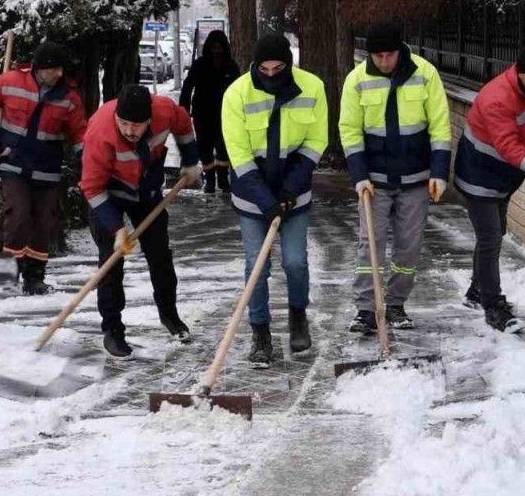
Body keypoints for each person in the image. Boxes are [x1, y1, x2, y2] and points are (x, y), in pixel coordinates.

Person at [222, 33, 328, 367]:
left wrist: (288, 192)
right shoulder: (236, 94)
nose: (270, 74)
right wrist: (266, 200)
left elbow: (315, 142)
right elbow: (239, 155)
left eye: (277, 67)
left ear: (289, 64)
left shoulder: (312, 88)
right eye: (263, 68)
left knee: (295, 261)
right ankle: (260, 333)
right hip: (253, 197)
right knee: (257, 265)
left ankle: (298, 315)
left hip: (293, 193)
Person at [339, 23, 452, 334]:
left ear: (400, 50)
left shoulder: (425, 74)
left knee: (409, 246)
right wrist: (359, 176)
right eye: (378, 56)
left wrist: (439, 173)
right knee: (369, 245)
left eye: (389, 55)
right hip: (373, 181)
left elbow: (440, 126)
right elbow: (350, 131)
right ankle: (365, 308)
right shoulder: (357, 80)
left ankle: (396, 304)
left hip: (416, 178)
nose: (384, 62)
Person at [81, 84, 203, 357]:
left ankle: (170, 316)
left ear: (150, 119)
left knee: (160, 254)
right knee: (111, 262)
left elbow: (183, 125)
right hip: (108, 194)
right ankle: (113, 329)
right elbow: (92, 188)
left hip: (147, 191)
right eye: (123, 123)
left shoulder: (165, 110)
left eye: (136, 125)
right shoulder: (100, 132)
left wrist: (191, 161)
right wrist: (117, 229)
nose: (129, 130)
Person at [453, 42, 525, 333]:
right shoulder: (497, 99)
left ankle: (477, 290)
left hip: (501, 178)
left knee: (495, 233)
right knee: (490, 238)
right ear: (520, 72)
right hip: (479, 176)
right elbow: (508, 147)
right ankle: (493, 306)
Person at [0, 41, 88, 295]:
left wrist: (88, 161)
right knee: (18, 216)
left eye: (62, 69)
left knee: (44, 223)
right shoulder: (9, 82)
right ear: (39, 68)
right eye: (54, 69)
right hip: (13, 163)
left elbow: (80, 133)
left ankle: (35, 277)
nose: (59, 74)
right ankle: (2, 277)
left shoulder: (68, 97)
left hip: (47, 168)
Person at [179, 30, 240, 193]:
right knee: (204, 147)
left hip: (225, 114)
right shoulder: (200, 64)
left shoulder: (231, 66)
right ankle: (210, 180)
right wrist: (184, 108)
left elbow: (239, 89)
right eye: (214, 48)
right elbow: (188, 86)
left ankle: (222, 179)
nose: (217, 52)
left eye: (220, 48)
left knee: (223, 147)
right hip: (202, 113)